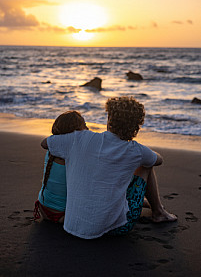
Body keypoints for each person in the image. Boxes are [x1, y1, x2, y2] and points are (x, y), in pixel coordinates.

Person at [41, 96, 177, 239]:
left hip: (72, 225)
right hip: (116, 228)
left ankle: (154, 209)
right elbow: (158, 160)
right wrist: (146, 153)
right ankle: (159, 212)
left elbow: (45, 143)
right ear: (136, 126)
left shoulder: (81, 138)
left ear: (109, 120)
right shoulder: (136, 150)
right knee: (146, 166)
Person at [34, 110, 88, 223]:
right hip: (64, 214)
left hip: (44, 209)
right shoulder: (75, 154)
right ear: (75, 133)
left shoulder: (51, 150)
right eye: (85, 126)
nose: (87, 129)